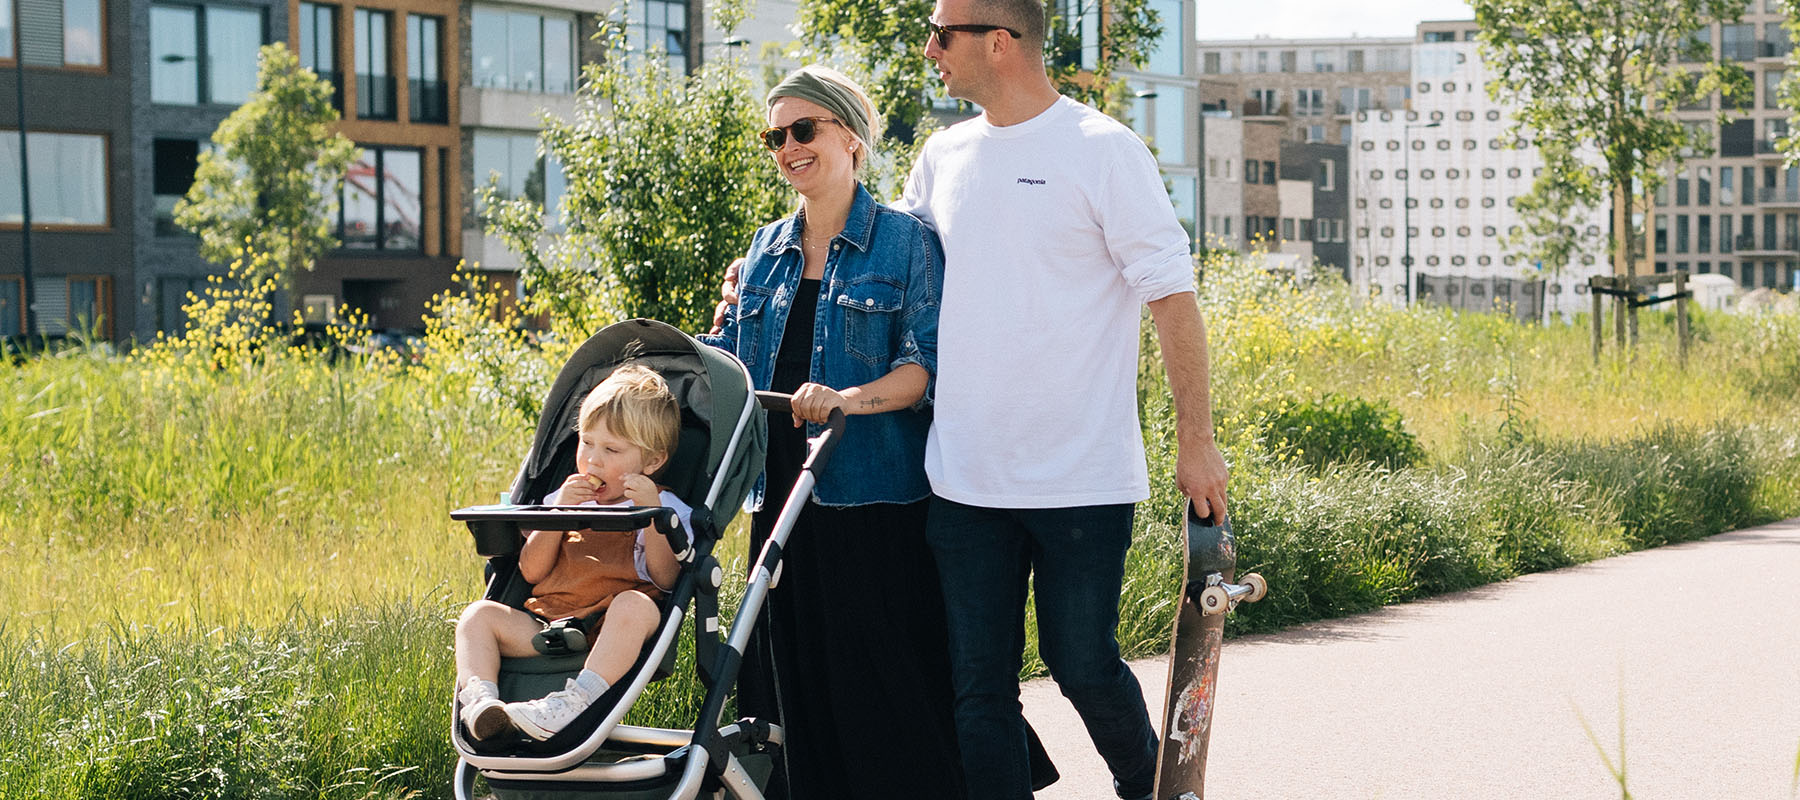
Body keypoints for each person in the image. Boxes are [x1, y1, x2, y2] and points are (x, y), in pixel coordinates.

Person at [716, 2, 1231, 797]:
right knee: (978, 690)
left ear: (999, 41)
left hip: (1080, 475)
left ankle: (1159, 789)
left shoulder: (1103, 150)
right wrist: (763, 283)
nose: (928, 50)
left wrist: (1194, 440)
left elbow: (1172, 298)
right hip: (961, 477)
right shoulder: (944, 154)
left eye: (941, 34)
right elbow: (894, 273)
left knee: (1082, 662)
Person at [698, 65, 966, 800]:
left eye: (803, 129)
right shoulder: (763, 251)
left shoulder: (905, 243)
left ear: (850, 136)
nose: (787, 146)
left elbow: (923, 366)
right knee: (791, 687)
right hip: (779, 498)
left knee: (882, 688)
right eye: (775, 135)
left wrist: (846, 398)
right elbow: (732, 362)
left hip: (871, 500)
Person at [453, 364, 694, 742]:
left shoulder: (664, 506)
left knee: (637, 605)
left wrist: (652, 516)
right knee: (477, 617)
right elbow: (532, 573)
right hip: (548, 623)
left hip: (608, 629)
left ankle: (574, 703)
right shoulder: (563, 499)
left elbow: (666, 580)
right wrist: (556, 516)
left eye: (611, 449)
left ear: (651, 462)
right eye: (586, 443)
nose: (592, 460)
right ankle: (482, 704)